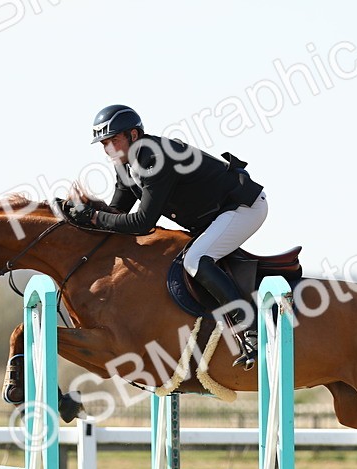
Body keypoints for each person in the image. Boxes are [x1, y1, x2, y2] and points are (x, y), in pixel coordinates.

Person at [61, 104, 268, 368]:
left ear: (134, 135)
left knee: (196, 260)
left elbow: (141, 222)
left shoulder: (154, 158)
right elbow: (117, 213)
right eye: (104, 143)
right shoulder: (125, 164)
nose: (108, 148)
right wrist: (80, 219)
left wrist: (92, 217)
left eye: (113, 140)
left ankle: (250, 329)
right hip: (213, 215)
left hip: (243, 208)